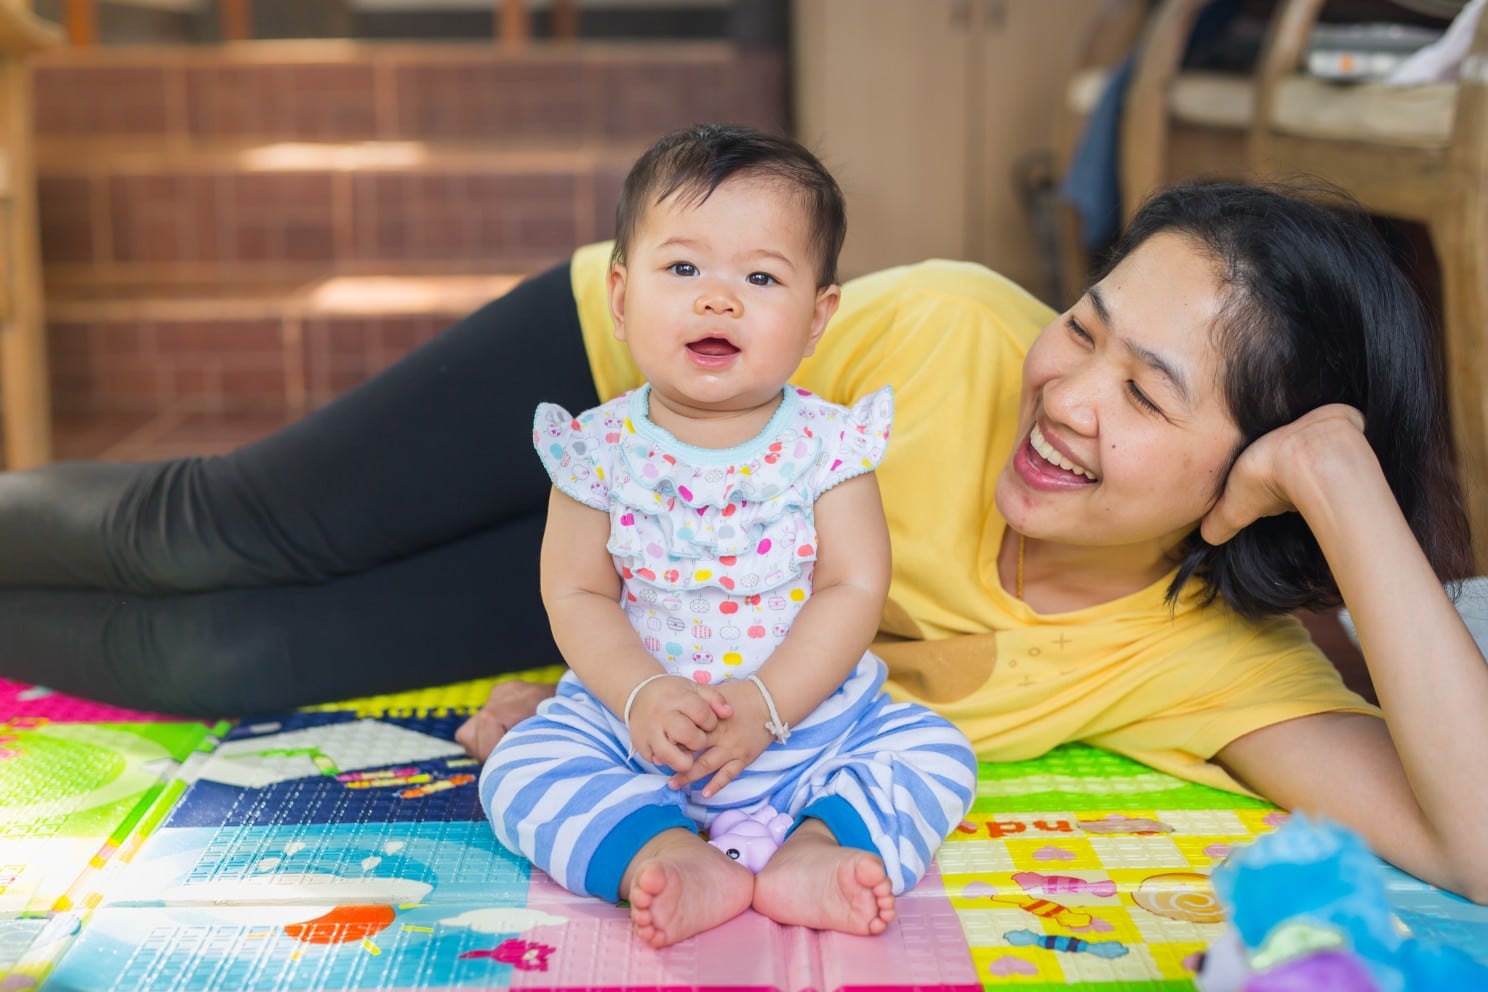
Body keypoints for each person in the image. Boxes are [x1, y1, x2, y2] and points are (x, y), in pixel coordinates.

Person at [0, 128, 1483, 904]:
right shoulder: (961, 335)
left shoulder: (1204, 664)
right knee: (221, 529)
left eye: (1149, 394)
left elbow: (1472, 846)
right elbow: (720, 338)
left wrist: (1352, 489)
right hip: (615, 378)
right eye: (1087, 325)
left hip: (628, 626)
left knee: (223, 667)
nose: (1069, 390)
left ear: (1258, 473)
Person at [478, 125, 976, 948]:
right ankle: (662, 851)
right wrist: (638, 693)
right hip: (637, 733)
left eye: (760, 276)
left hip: (809, 727)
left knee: (935, 751)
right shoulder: (596, 448)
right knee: (521, 770)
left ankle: (819, 847)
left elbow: (854, 587)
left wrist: (770, 704)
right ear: (620, 294)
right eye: (682, 269)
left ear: (818, 317)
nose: (718, 298)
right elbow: (575, 590)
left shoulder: (830, 445)